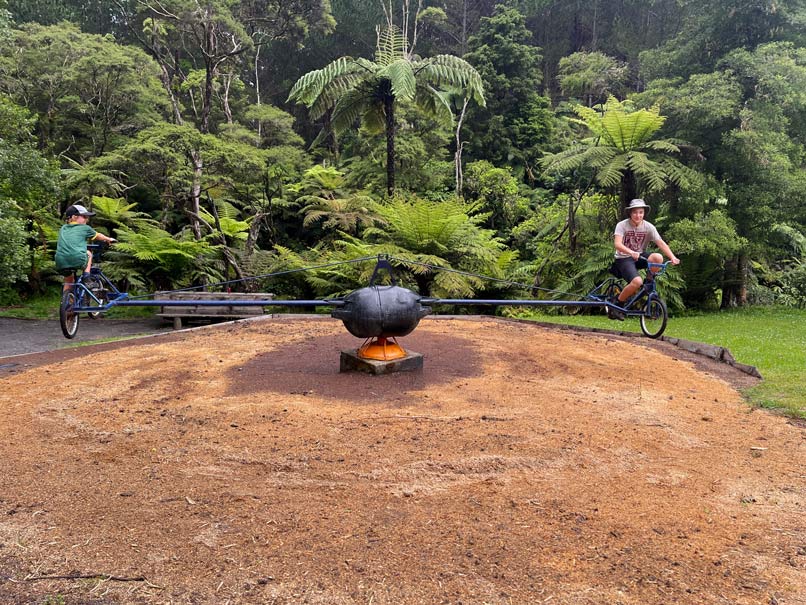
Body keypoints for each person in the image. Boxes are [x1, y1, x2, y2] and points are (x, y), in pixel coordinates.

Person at [608, 198, 679, 320]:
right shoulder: (622, 225)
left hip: (639, 256)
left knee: (657, 257)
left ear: (644, 213)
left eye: (640, 212)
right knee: (637, 282)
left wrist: (672, 257)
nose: (638, 215)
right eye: (635, 212)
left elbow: (661, 243)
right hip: (624, 258)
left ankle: (649, 280)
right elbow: (618, 244)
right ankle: (618, 303)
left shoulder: (649, 227)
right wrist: (631, 252)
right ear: (630, 213)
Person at [55, 204, 116, 292]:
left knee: (68, 281)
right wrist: (108, 239)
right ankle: (86, 277)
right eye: (84, 217)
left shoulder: (63, 228)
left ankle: (66, 302)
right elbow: (98, 236)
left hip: (60, 261)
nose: (87, 219)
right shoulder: (85, 228)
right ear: (74, 217)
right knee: (89, 254)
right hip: (77, 258)